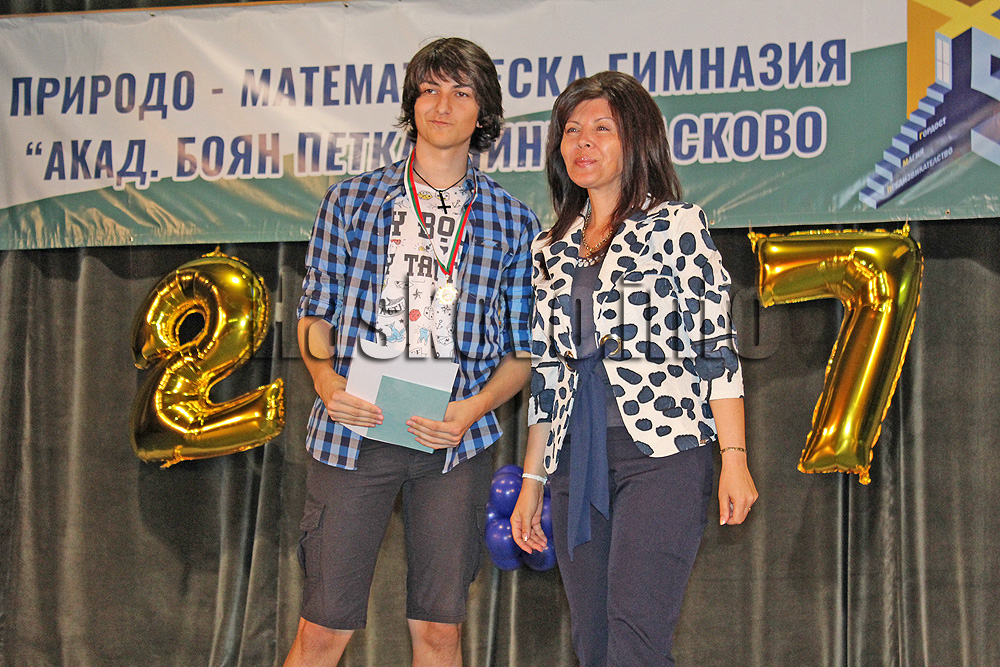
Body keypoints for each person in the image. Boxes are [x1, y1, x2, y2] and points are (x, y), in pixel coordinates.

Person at [286, 38, 539, 667]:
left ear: (483, 112)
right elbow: (315, 313)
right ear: (411, 104)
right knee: (322, 631)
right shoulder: (351, 201)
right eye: (429, 90)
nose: (442, 105)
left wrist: (473, 409)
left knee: (439, 632)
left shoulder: (512, 221)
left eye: (460, 92)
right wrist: (326, 381)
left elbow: (523, 351)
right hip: (354, 432)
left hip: (453, 442)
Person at [510, 71, 758, 667]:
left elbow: (717, 349)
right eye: (571, 130)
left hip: (662, 454)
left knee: (635, 636)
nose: (583, 142)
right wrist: (532, 482)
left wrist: (734, 458)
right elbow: (547, 377)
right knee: (593, 642)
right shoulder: (548, 248)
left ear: (636, 140)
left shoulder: (677, 226)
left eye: (602, 129)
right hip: (574, 459)